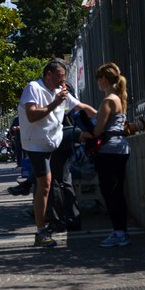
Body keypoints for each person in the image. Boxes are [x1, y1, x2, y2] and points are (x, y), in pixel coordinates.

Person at [18, 58, 96, 247]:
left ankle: (60, 220)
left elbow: (82, 107)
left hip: (55, 142)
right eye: (60, 76)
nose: (63, 81)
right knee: (45, 185)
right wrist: (54, 103)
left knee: (55, 183)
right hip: (35, 143)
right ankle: (40, 232)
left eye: (64, 77)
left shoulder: (61, 92)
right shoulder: (34, 88)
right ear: (48, 74)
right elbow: (32, 115)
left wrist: (107, 118)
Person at [80, 62, 132, 247]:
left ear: (103, 79)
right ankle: (122, 231)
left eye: (98, 79)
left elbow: (97, 130)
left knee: (109, 193)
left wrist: (81, 135)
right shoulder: (119, 98)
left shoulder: (108, 100)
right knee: (117, 192)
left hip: (109, 150)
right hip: (121, 148)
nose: (97, 83)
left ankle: (119, 232)